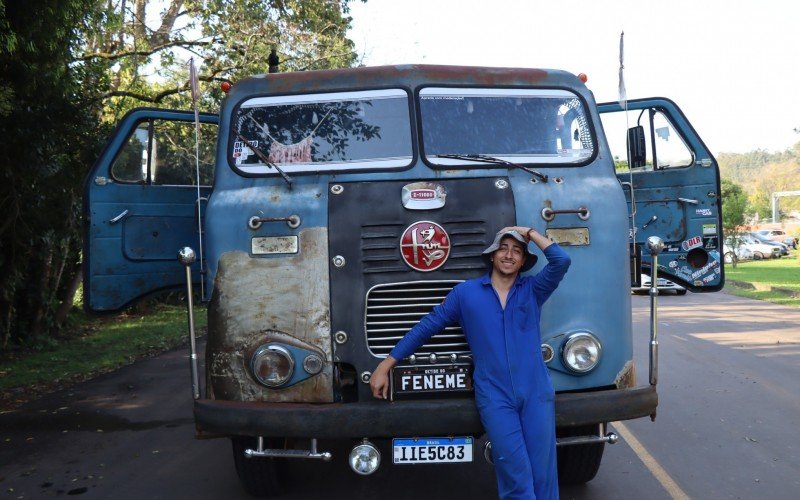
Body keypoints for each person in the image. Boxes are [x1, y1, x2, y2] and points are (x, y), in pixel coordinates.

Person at [370, 226, 571, 499]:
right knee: (515, 474)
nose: (509, 255)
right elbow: (428, 326)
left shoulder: (533, 289)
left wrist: (529, 232)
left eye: (517, 251)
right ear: (492, 255)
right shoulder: (466, 294)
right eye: (504, 248)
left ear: (524, 261)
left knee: (543, 475)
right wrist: (386, 364)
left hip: (536, 392)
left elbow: (562, 260)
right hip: (495, 396)